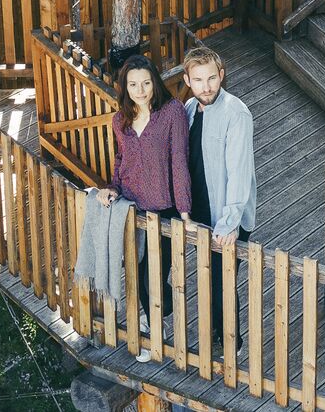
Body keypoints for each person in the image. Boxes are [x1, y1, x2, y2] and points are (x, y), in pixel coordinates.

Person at [93, 55, 189, 362]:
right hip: (131, 208)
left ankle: (153, 333)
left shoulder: (172, 112)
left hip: (164, 208)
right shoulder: (120, 119)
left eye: (146, 83)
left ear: (155, 82)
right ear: (125, 87)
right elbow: (121, 161)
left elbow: (179, 162)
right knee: (135, 272)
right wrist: (112, 187)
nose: (140, 90)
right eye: (133, 84)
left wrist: (184, 211)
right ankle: (152, 317)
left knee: (152, 276)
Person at [180, 46, 255, 356]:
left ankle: (230, 344)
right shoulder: (189, 108)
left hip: (227, 215)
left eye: (211, 78)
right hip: (200, 209)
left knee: (223, 281)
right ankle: (214, 333)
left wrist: (229, 223)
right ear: (187, 80)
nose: (206, 87)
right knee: (208, 276)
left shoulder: (236, 113)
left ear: (221, 75)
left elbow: (238, 172)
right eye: (198, 80)